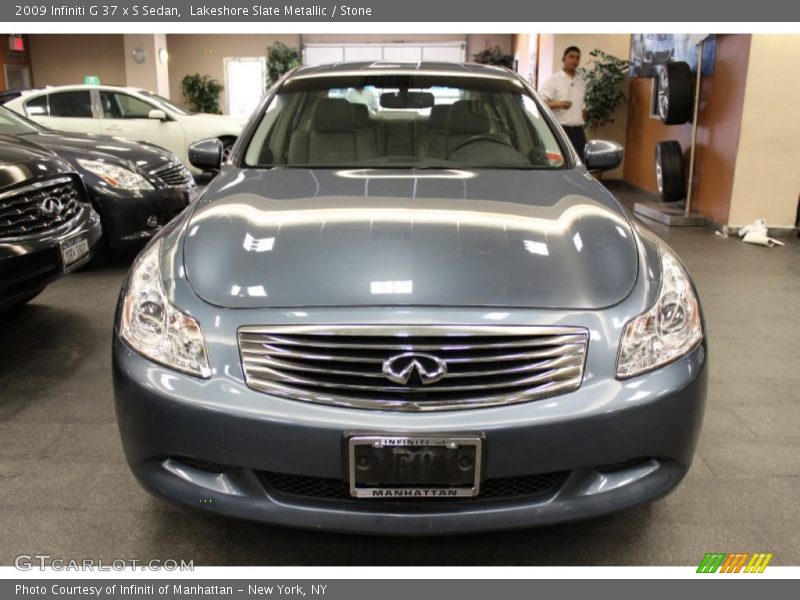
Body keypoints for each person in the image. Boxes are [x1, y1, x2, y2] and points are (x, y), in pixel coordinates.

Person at [539, 46, 587, 161]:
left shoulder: (581, 83)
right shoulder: (553, 80)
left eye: (577, 58)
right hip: (560, 130)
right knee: (559, 163)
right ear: (564, 59)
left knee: (580, 163)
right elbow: (540, 103)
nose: (574, 60)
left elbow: (582, 108)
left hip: (578, 132)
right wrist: (558, 104)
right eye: (571, 57)